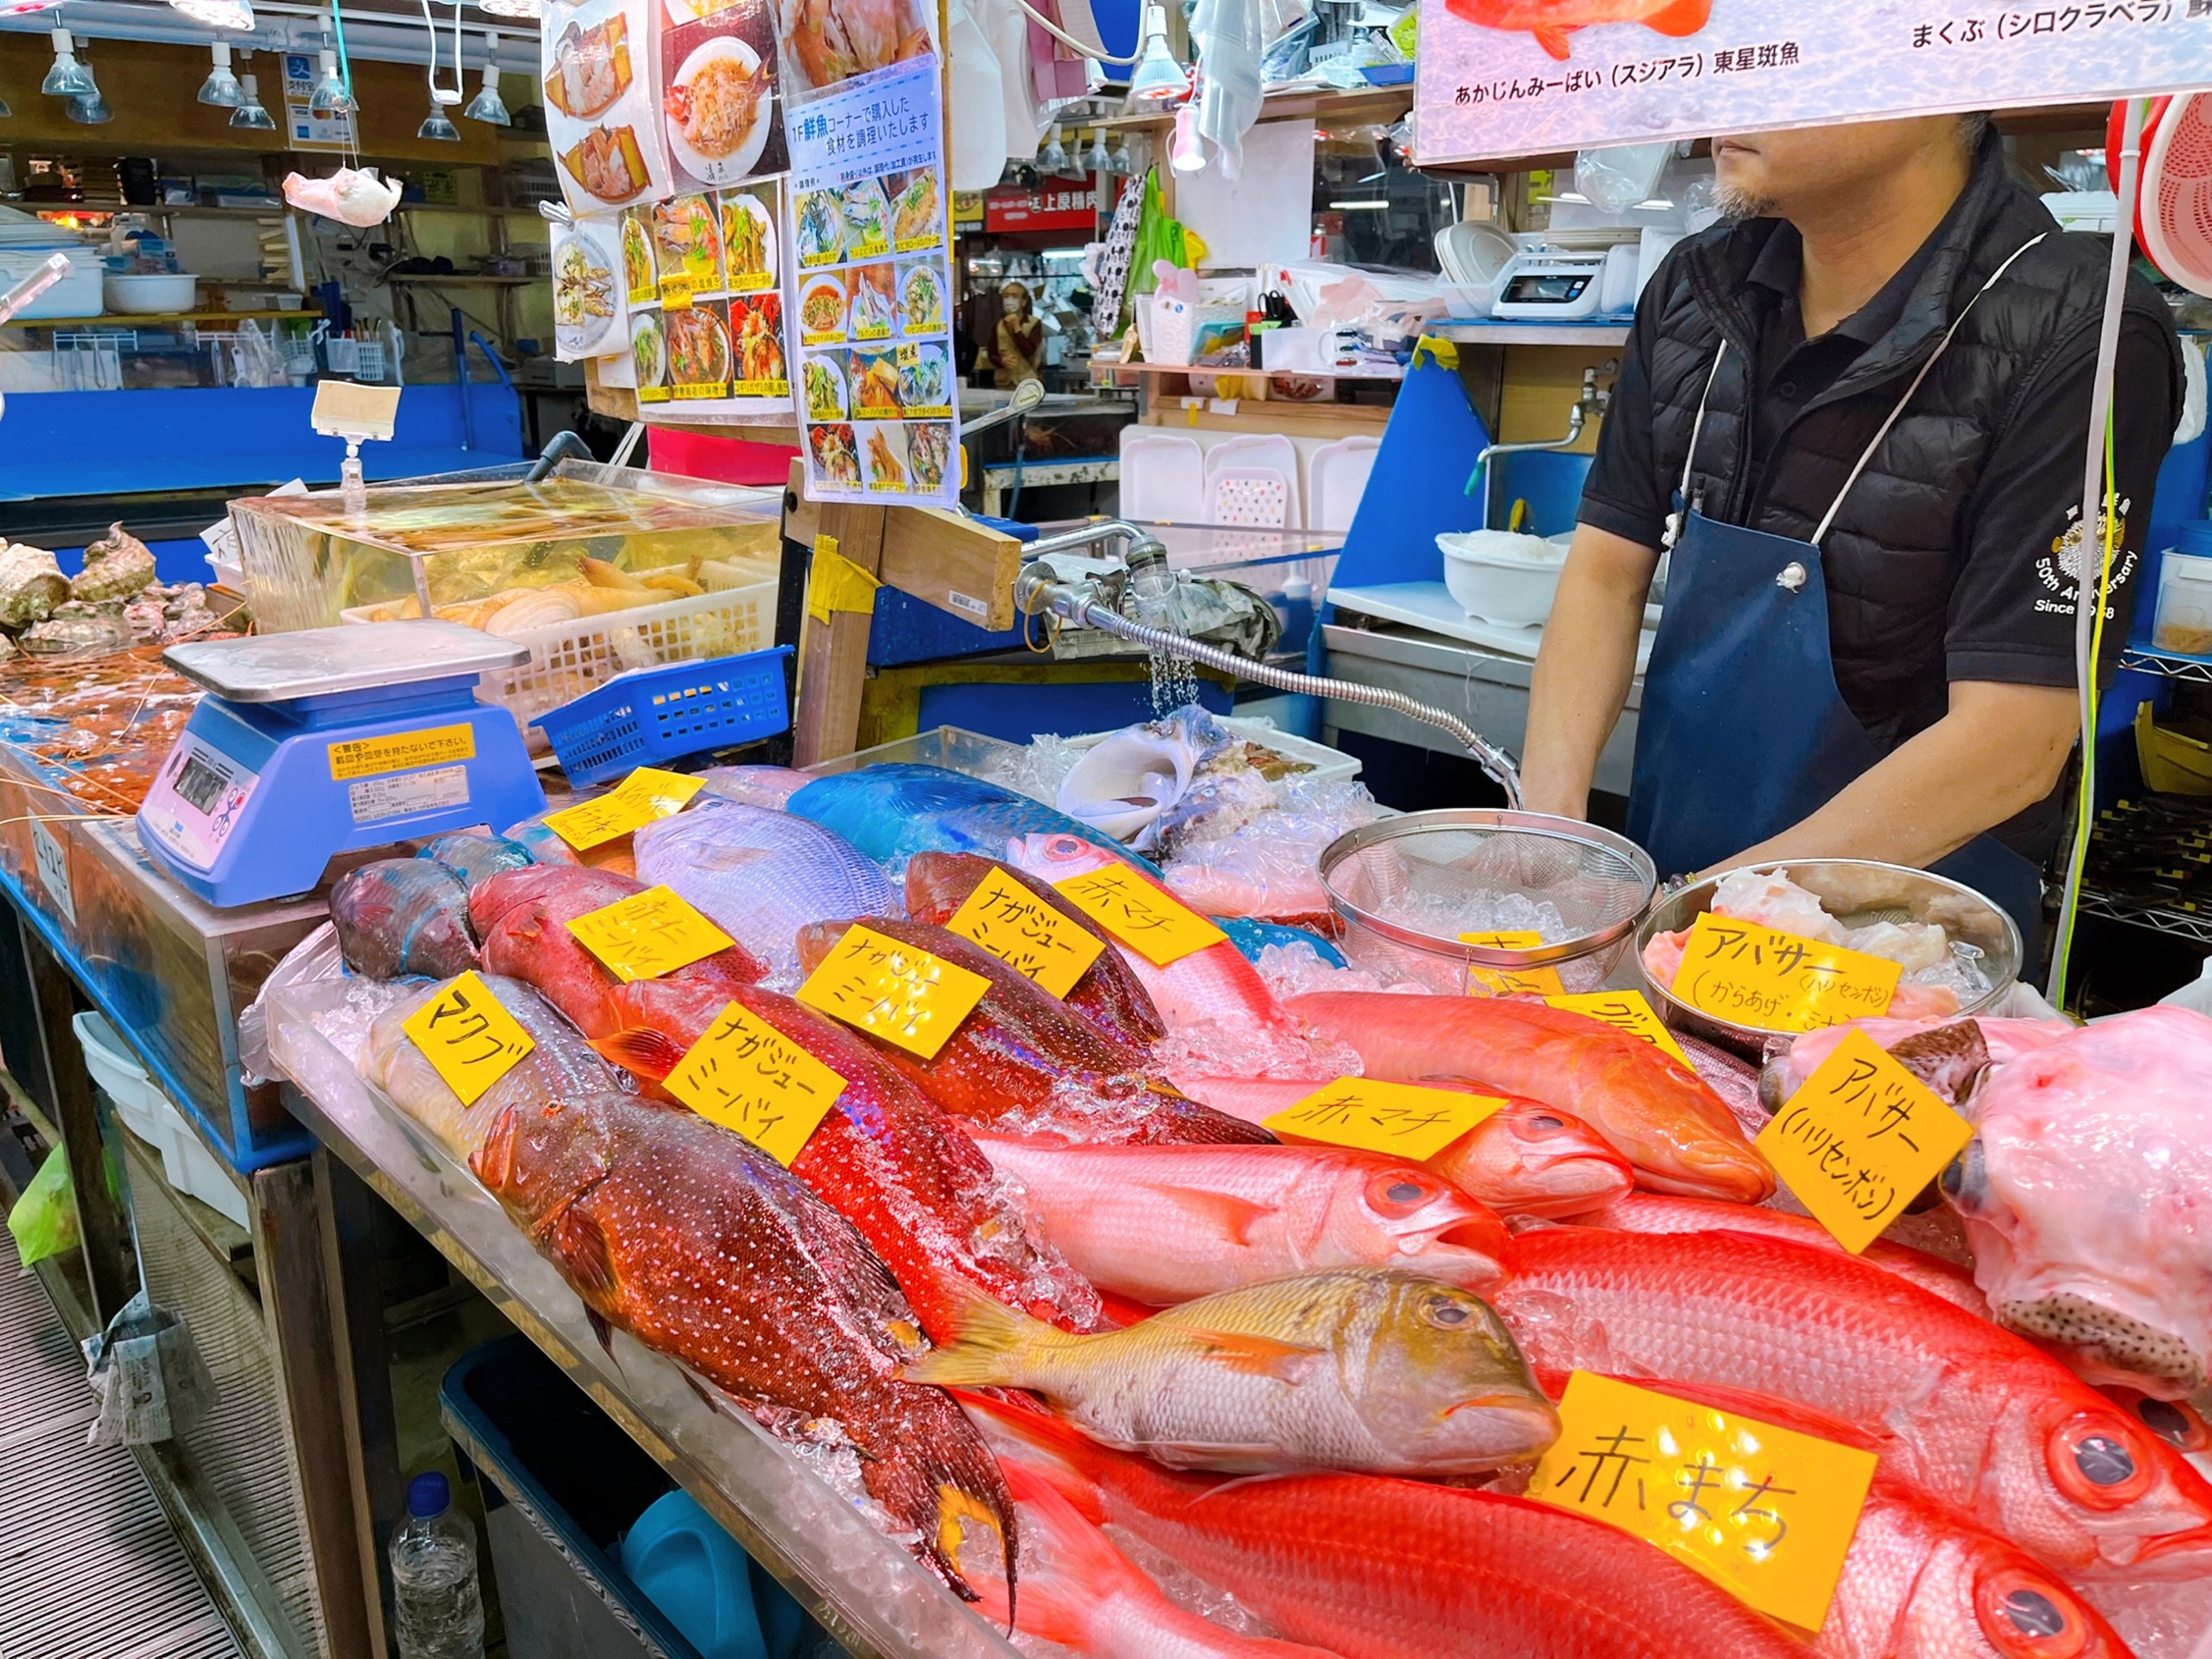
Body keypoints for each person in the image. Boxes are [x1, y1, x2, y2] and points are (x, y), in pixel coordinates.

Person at [1522, 115, 2185, 948]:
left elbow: (2014, 741)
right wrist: (1550, 839)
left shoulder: (2079, 326)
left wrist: (1692, 917)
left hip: (1902, 933)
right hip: (1681, 872)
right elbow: (1603, 573)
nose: (1727, 103)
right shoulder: (1697, 284)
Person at [990, 278, 1045, 389]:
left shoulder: (1034, 323)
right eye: (1006, 296)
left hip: (1027, 381)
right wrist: (1001, 360)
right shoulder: (998, 325)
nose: (1010, 300)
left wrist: (1017, 328)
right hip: (1004, 381)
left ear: (1023, 302)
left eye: (1014, 296)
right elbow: (992, 354)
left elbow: (1029, 351)